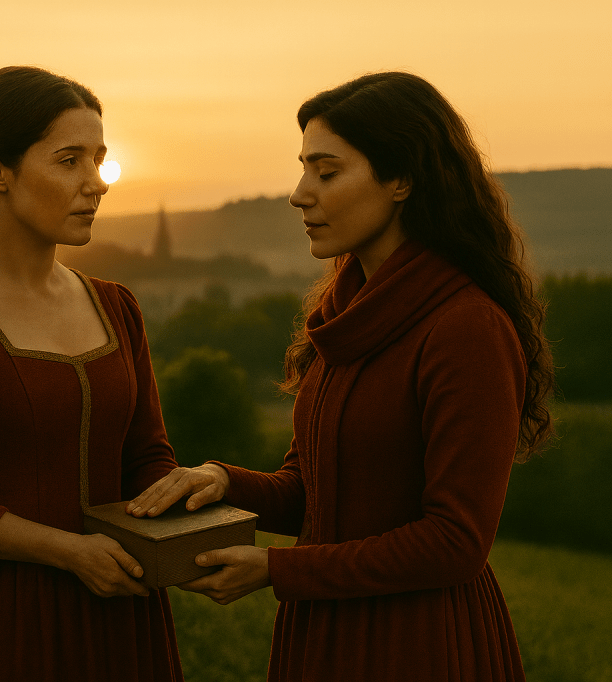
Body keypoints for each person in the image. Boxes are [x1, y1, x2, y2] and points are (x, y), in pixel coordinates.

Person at [127, 72, 555, 681]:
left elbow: (455, 543)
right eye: (304, 170)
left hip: (420, 646)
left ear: (401, 178)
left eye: (326, 173)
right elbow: (316, 494)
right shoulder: (344, 317)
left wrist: (278, 571)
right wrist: (220, 480)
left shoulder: (465, 328)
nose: (301, 194)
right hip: (324, 637)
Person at [0, 66, 183, 681]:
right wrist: (70, 553)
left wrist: (184, 527)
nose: (96, 184)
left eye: (99, 160)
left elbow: (146, 455)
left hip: (121, 611)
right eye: (69, 161)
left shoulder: (116, 305)